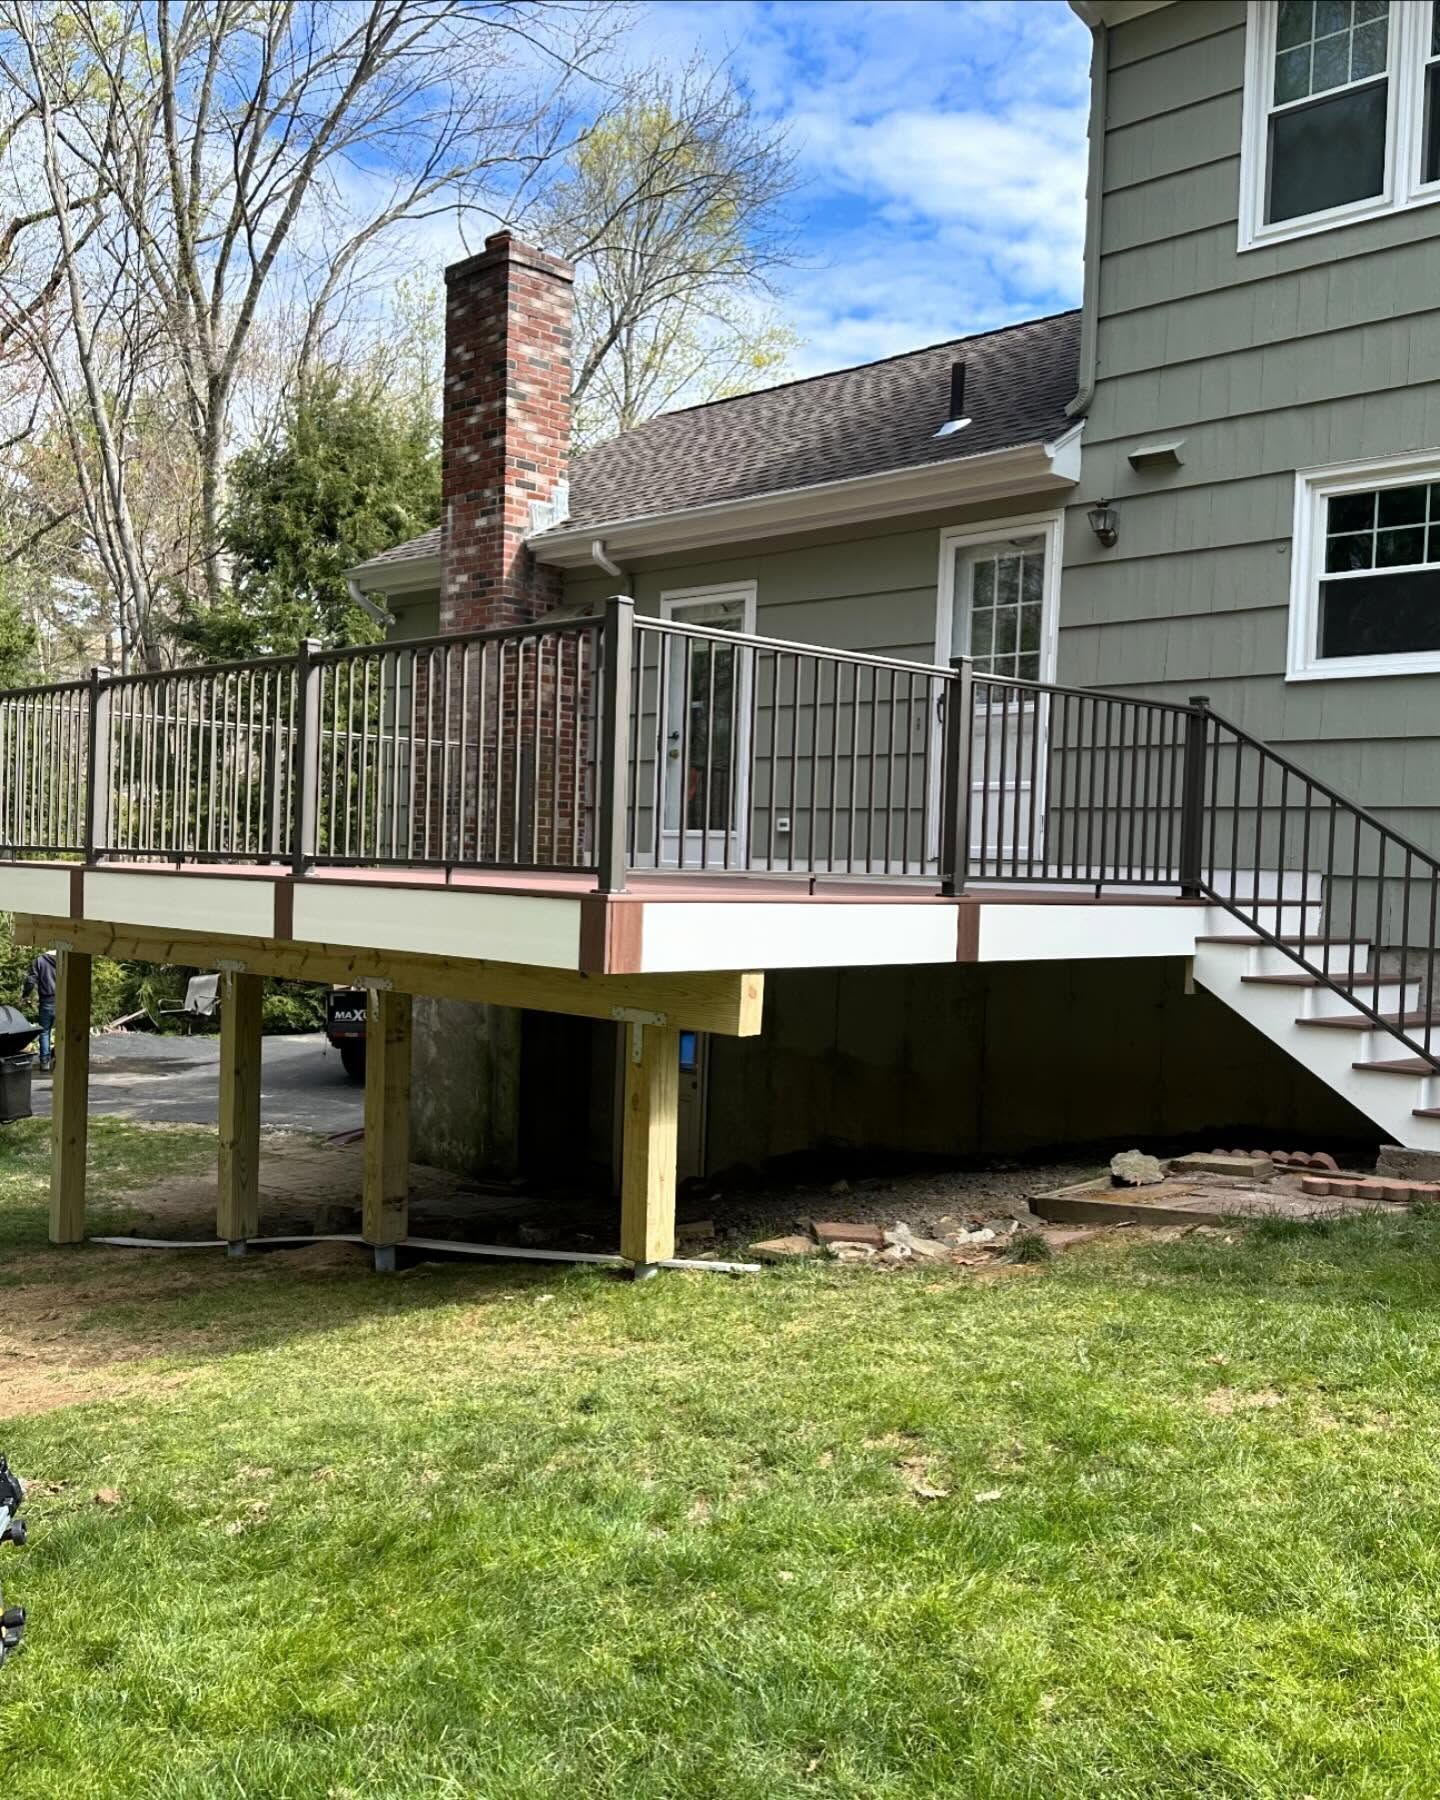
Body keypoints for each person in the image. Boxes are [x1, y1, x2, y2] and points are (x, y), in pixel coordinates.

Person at [20, 950, 57, 1072]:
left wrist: (25, 995)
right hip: (64, 1000)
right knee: (63, 1031)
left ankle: (45, 1062)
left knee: (45, 1031)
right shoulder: (65, 959)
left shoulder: (40, 961)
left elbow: (31, 980)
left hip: (47, 1000)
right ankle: (59, 1058)